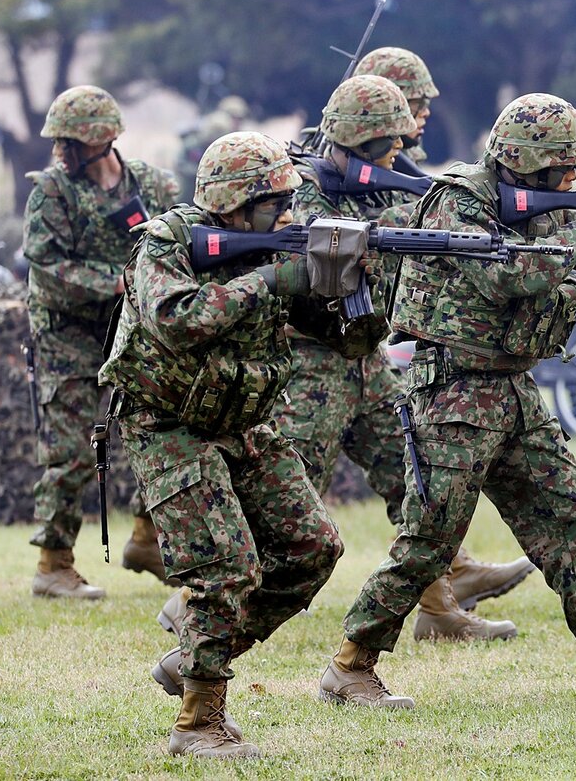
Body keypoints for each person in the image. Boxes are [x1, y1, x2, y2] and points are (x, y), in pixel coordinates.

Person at [316, 93, 576, 708]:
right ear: (527, 165)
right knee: (430, 539)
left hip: (510, 387)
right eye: (562, 172)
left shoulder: (543, 206)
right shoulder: (455, 201)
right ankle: (350, 665)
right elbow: (510, 274)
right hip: (453, 391)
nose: (570, 182)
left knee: (570, 517)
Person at [99, 131, 344, 758]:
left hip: (244, 421)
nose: (289, 217)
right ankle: (198, 723)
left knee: (313, 547)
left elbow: (349, 341)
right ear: (237, 205)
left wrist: (353, 287)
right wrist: (270, 279)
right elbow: (178, 319)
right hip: (168, 424)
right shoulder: (168, 243)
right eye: (276, 205)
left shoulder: (275, 247)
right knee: (226, 567)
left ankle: (196, 656)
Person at [272, 74, 532, 642]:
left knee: (411, 475)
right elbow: (318, 245)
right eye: (390, 142)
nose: (404, 148)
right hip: (309, 362)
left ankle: (440, 611)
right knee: (288, 492)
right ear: (362, 141)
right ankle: (196, 606)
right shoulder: (305, 184)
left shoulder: (384, 180)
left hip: (364, 355)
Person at [23, 85, 179, 598]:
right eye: (59, 142)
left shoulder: (153, 187)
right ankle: (53, 565)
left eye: (71, 142)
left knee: (163, 430)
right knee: (70, 449)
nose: (61, 151)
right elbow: (46, 268)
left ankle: (148, 538)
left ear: (105, 138)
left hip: (131, 328)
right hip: (66, 331)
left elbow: (179, 244)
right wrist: (115, 281)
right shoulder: (52, 191)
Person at [353, 47, 437, 174]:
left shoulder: (410, 153)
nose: (426, 112)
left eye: (426, 103)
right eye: (418, 104)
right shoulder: (340, 166)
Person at [175, 95, 250, 197]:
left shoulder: (237, 142)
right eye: (234, 117)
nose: (237, 122)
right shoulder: (196, 141)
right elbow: (180, 164)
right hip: (191, 189)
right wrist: (203, 173)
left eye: (239, 119)